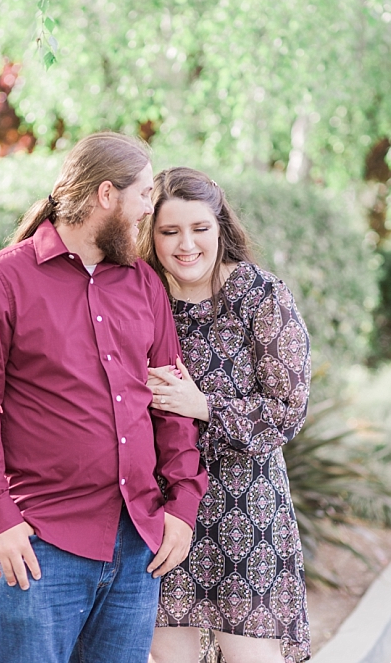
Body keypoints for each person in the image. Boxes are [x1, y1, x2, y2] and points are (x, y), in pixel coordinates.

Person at [0, 132, 207, 663]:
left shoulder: (144, 285)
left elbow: (169, 403)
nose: (146, 211)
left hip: (138, 545)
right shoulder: (0, 280)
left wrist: (182, 505)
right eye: (142, 195)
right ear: (106, 196)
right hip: (41, 545)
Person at [138, 167, 310, 663]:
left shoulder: (261, 296)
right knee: (169, 656)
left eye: (199, 229)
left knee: (250, 657)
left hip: (248, 509)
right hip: (167, 504)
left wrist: (205, 406)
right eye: (169, 231)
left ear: (221, 228)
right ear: (151, 234)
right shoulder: (141, 297)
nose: (185, 244)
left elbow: (288, 409)